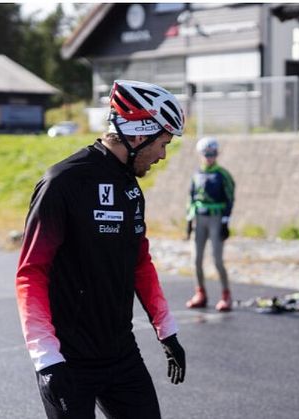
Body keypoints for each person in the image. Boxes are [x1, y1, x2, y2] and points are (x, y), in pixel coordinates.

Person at [16, 80, 186, 419]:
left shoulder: (130, 189)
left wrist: (166, 330)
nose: (163, 155)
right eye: (163, 143)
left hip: (121, 352)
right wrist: (46, 358)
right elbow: (31, 273)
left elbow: (139, 263)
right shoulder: (62, 182)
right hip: (68, 358)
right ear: (139, 135)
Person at [185, 137, 236, 312]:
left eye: (212, 154)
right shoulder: (196, 174)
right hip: (199, 218)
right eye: (206, 154)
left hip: (216, 218)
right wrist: (188, 219)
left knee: (217, 260)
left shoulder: (223, 174)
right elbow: (191, 197)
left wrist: (225, 221)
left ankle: (226, 295)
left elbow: (230, 198)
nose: (209, 157)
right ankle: (200, 292)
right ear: (201, 155)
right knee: (196, 259)